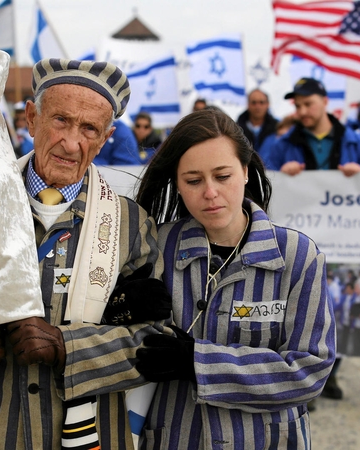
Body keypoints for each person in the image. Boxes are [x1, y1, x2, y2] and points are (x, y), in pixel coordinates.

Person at [0, 58, 170, 449]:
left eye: (89, 129)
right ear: (32, 118)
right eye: (61, 120)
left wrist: (67, 346)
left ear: (105, 138)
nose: (71, 143)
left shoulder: (130, 225)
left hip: (92, 436)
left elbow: (154, 341)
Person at [135, 109, 335, 449]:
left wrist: (199, 363)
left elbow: (309, 371)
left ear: (244, 171)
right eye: (194, 181)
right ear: (178, 185)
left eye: (222, 176)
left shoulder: (298, 257)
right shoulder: (153, 247)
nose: (210, 193)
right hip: (174, 437)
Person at [259, 77, 360, 176]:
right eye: (298, 106)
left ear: (325, 102)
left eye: (308, 104)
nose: (302, 112)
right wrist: (280, 175)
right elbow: (266, 183)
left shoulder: (357, 143)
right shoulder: (282, 145)